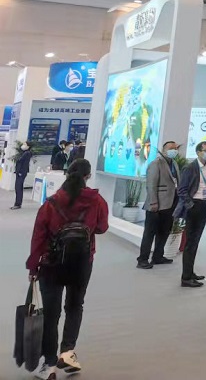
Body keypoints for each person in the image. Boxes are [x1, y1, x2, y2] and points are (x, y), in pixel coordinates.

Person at [26, 159, 108, 379]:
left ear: (67, 174)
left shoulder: (52, 203)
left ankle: (49, 365)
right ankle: (68, 352)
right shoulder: (97, 200)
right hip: (82, 262)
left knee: (51, 314)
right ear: (88, 177)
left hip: (51, 264)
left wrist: (33, 266)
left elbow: (38, 236)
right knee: (75, 306)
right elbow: (102, 227)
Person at [174, 141, 206, 288]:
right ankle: (186, 278)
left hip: (205, 205)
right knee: (190, 242)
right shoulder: (190, 167)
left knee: (195, 241)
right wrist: (190, 205)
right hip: (194, 206)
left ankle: (190, 272)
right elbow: (181, 190)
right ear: (198, 152)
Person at [137, 140, 180, 269]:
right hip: (156, 205)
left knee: (164, 231)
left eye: (175, 148)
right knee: (150, 233)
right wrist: (153, 202)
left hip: (170, 204)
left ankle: (158, 256)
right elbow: (151, 185)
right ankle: (142, 259)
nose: (174, 150)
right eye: (171, 148)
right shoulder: (156, 164)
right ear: (164, 150)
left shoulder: (174, 163)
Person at [11, 141, 33, 210]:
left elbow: (24, 163)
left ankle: (18, 204)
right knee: (17, 188)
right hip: (20, 172)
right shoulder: (24, 153)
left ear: (28, 146)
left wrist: (20, 172)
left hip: (21, 172)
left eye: (24, 144)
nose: (23, 145)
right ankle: (17, 203)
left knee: (18, 188)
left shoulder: (27, 153)